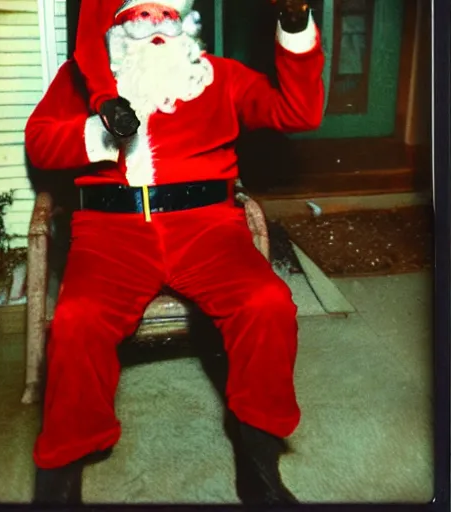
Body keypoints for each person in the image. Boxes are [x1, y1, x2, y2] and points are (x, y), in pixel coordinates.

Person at [25, 0, 324, 505]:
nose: (157, 28)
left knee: (266, 304)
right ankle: (62, 473)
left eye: (167, 17)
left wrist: (294, 23)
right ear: (116, 27)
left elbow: (298, 112)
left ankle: (259, 463)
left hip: (208, 228)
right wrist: (102, 131)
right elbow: (40, 143)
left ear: (185, 24)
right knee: (78, 320)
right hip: (110, 232)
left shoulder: (219, 77)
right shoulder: (79, 81)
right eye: (142, 17)